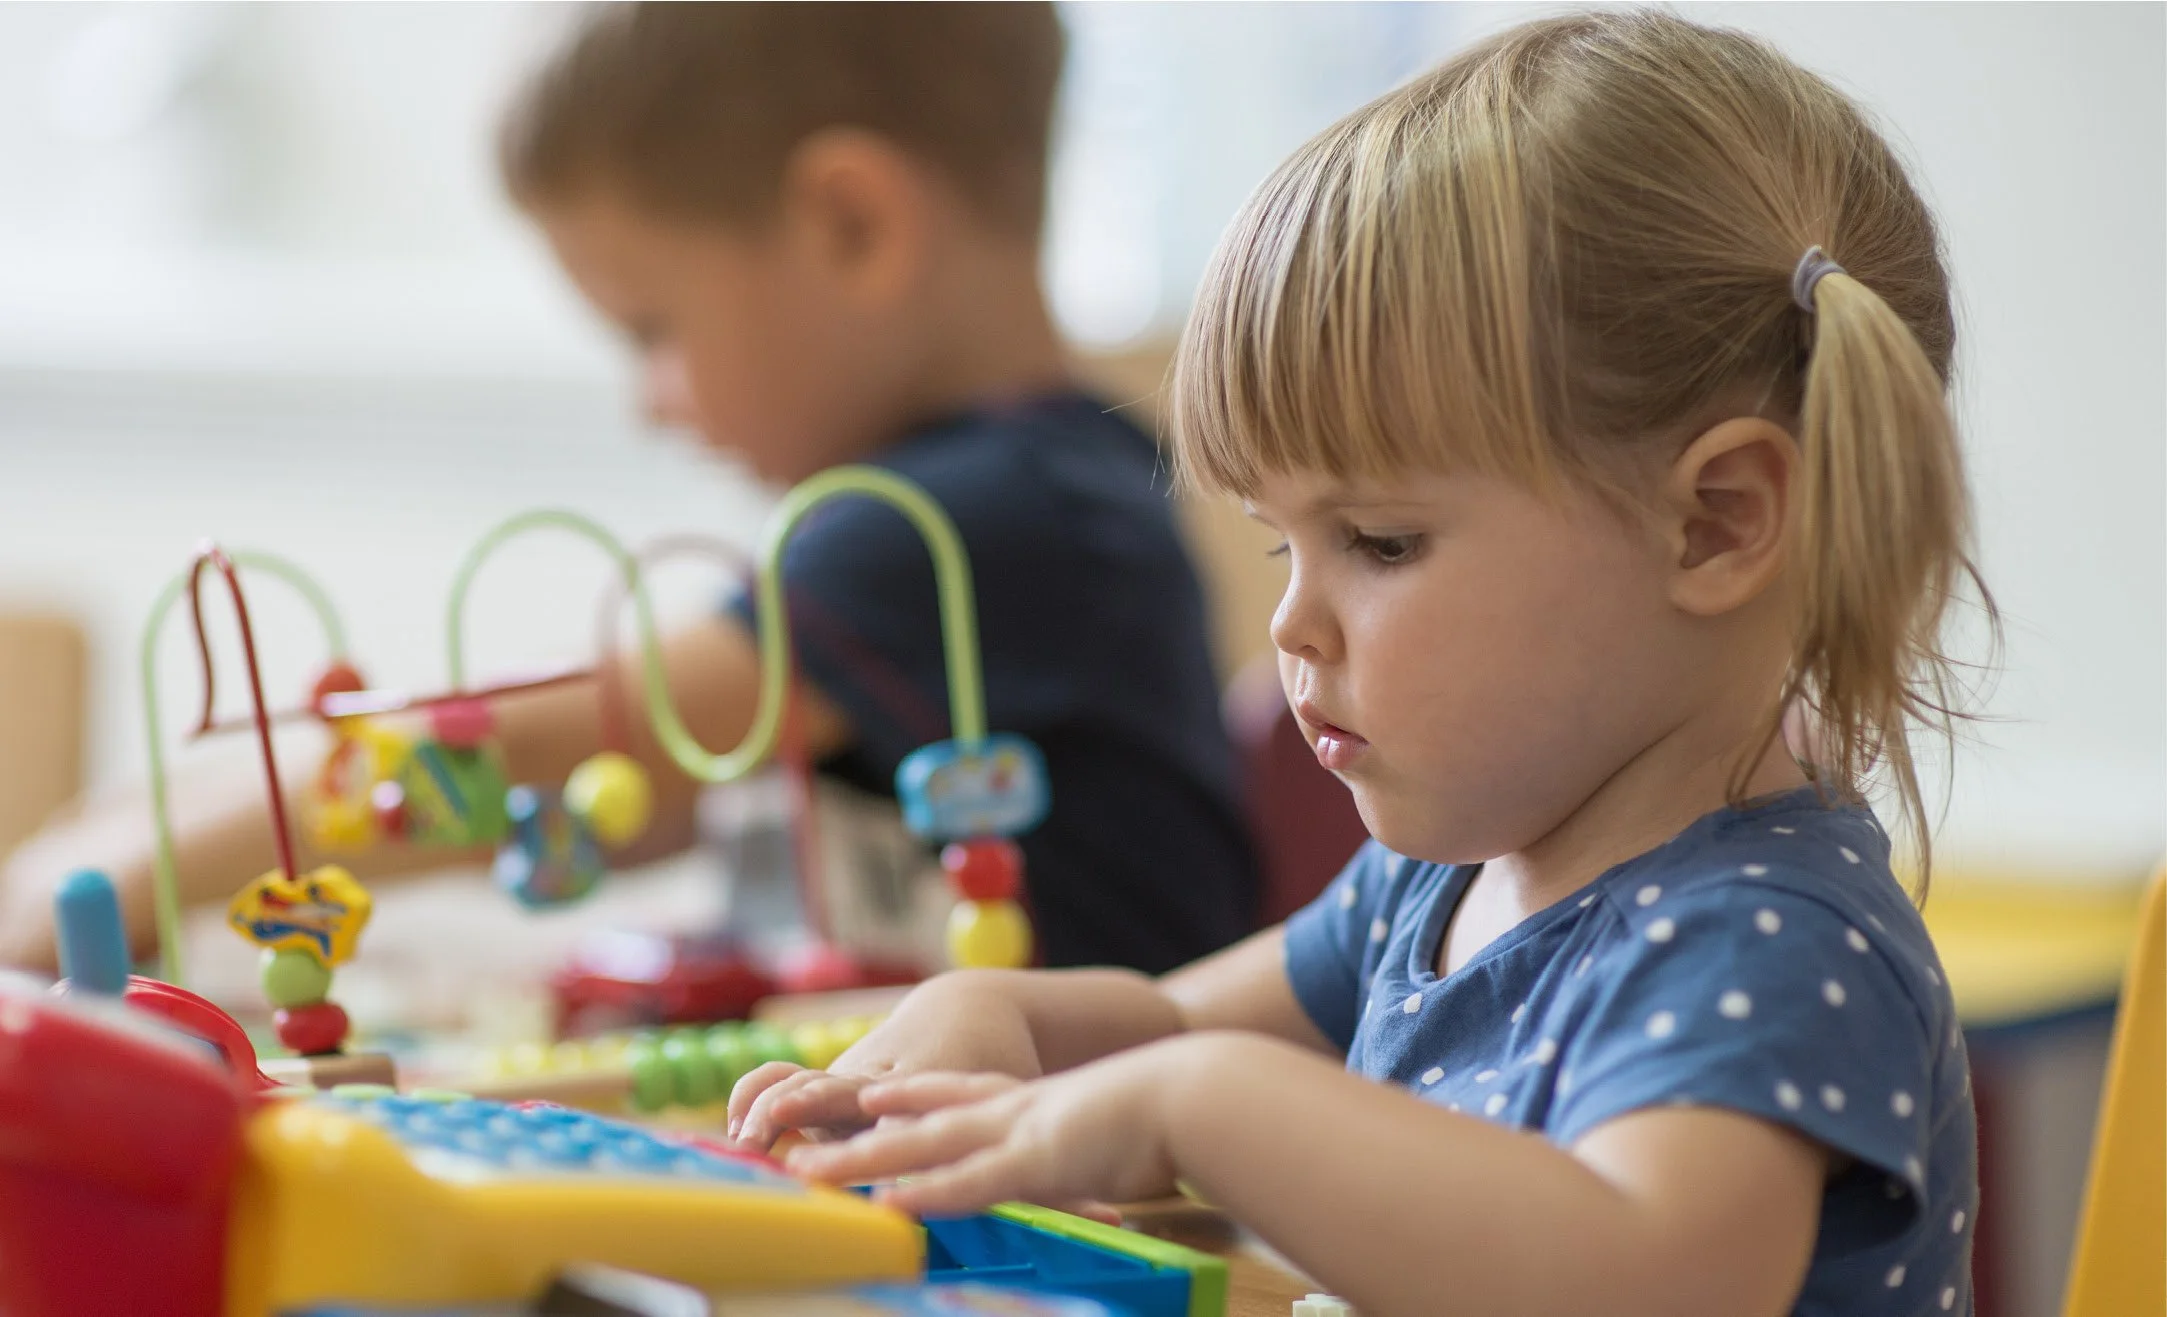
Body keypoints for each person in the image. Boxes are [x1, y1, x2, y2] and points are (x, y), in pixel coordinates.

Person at [726, 12, 1991, 1317]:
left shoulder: (1765, 942)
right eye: (1281, 546)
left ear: (1714, 520)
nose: (1288, 627)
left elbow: (1641, 1269)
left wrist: (1200, 1104)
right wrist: (1004, 1017)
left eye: (1379, 541)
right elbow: (1167, 1026)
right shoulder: (1439, 882)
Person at [0, 3, 1256, 976]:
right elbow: (618, 803)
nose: (650, 400)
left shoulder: (966, 525)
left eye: (651, 327)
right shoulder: (1049, 482)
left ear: (853, 228)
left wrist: (119, 870)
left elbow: (533, 754)